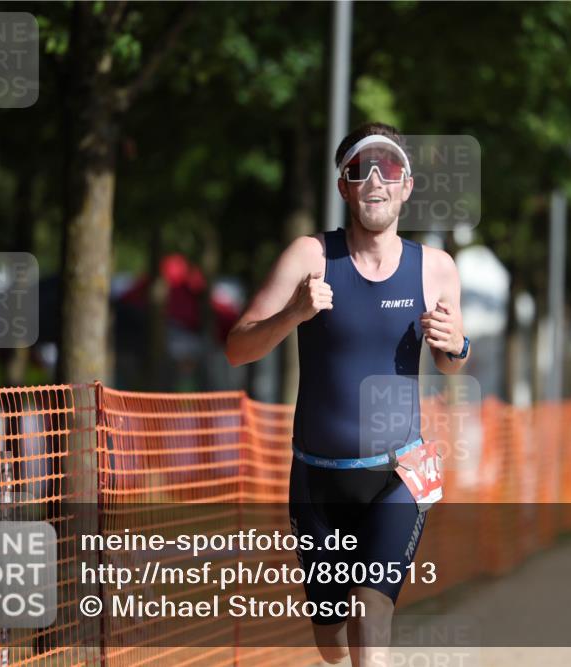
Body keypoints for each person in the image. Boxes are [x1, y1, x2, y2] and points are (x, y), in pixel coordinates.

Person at [225, 122, 470, 666]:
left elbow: (450, 363)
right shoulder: (310, 257)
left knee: (371, 610)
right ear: (344, 187)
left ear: (407, 185)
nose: (377, 180)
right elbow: (237, 348)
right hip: (318, 477)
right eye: (362, 169)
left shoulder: (436, 268)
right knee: (333, 642)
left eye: (390, 169)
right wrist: (294, 313)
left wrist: (458, 345)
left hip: (399, 473)